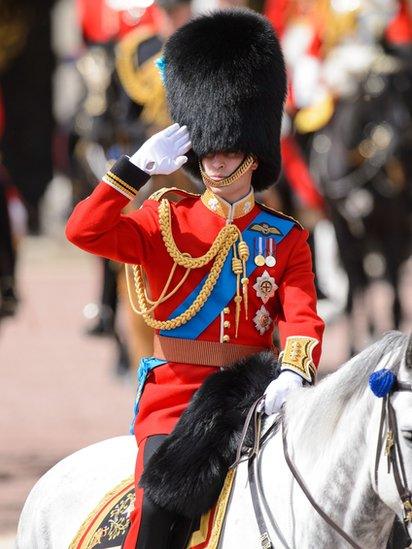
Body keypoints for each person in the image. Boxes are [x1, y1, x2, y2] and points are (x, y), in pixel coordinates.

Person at [66, 8, 324, 548]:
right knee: (158, 512)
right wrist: (133, 170)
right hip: (178, 403)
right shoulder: (165, 218)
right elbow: (83, 231)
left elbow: (301, 318)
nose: (215, 157)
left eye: (228, 146)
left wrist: (294, 375)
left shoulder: (284, 237)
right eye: (209, 146)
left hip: (254, 397)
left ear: (252, 154)